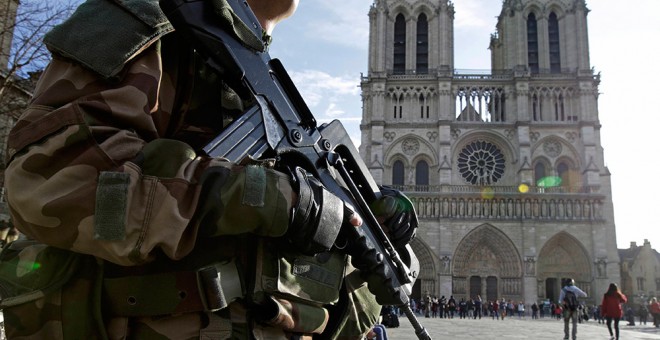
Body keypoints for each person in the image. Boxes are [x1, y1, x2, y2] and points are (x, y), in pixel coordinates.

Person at [0, 0, 419, 338]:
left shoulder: (263, 86)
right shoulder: (146, 21)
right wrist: (270, 198)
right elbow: (50, 180)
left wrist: (360, 234)